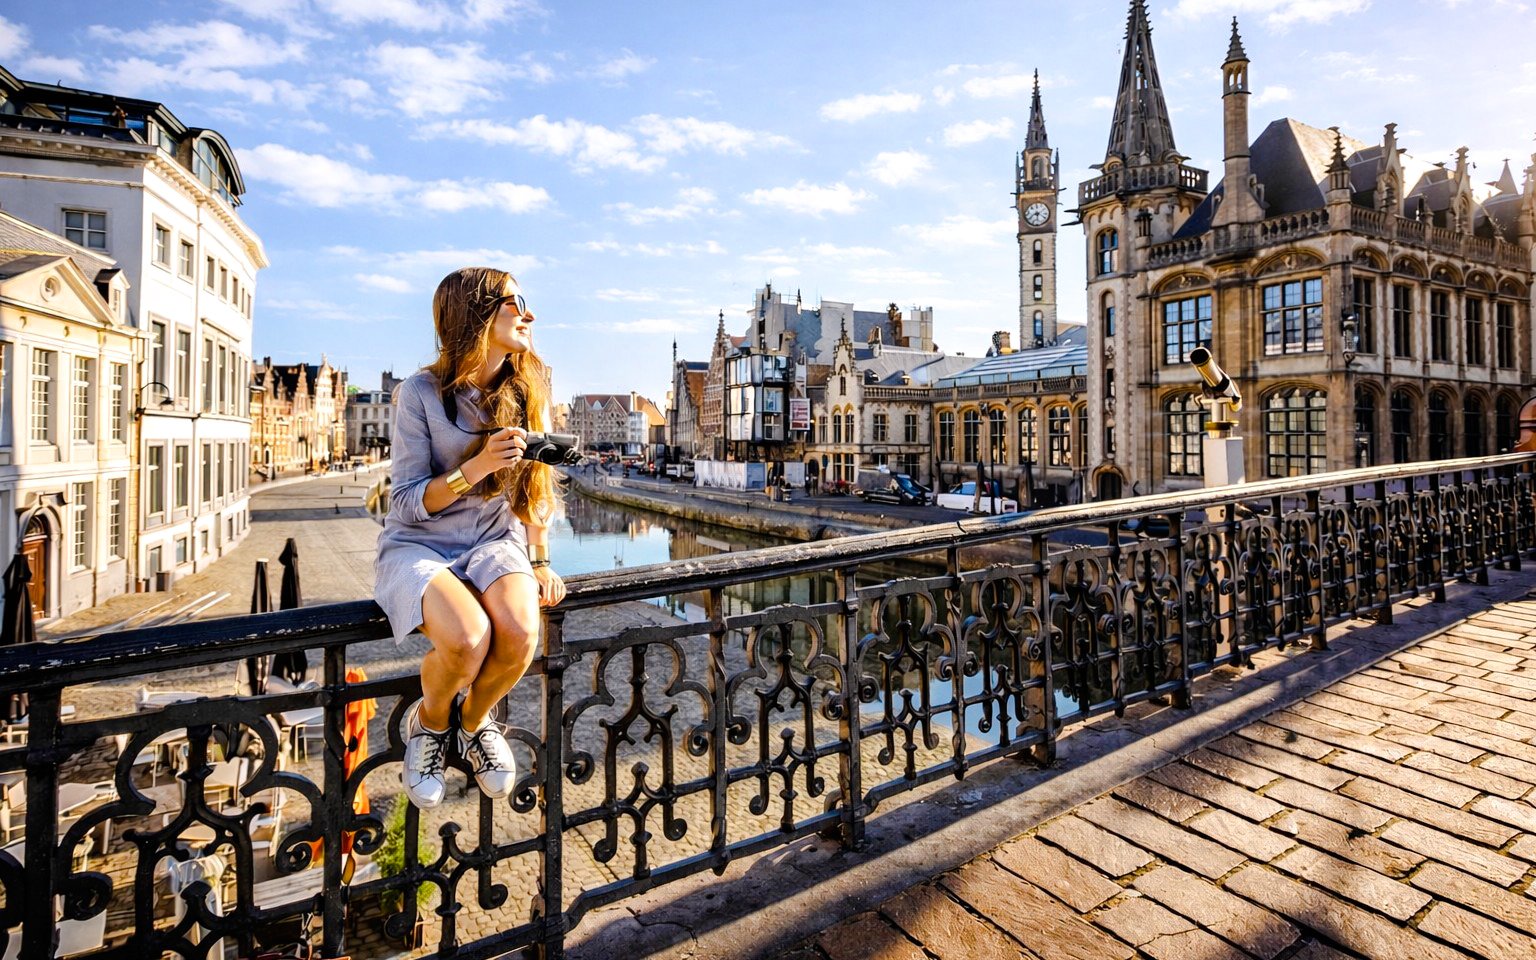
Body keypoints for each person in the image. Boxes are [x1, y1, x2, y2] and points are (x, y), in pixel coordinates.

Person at [375, 267, 567, 809]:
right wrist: (476, 467)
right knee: (465, 639)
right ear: (477, 315)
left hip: (493, 541)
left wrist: (541, 558)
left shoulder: (529, 388)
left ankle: (475, 721)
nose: (528, 313)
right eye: (515, 301)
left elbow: (537, 481)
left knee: (521, 631)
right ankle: (429, 725)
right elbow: (406, 501)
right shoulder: (419, 394)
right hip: (420, 543)